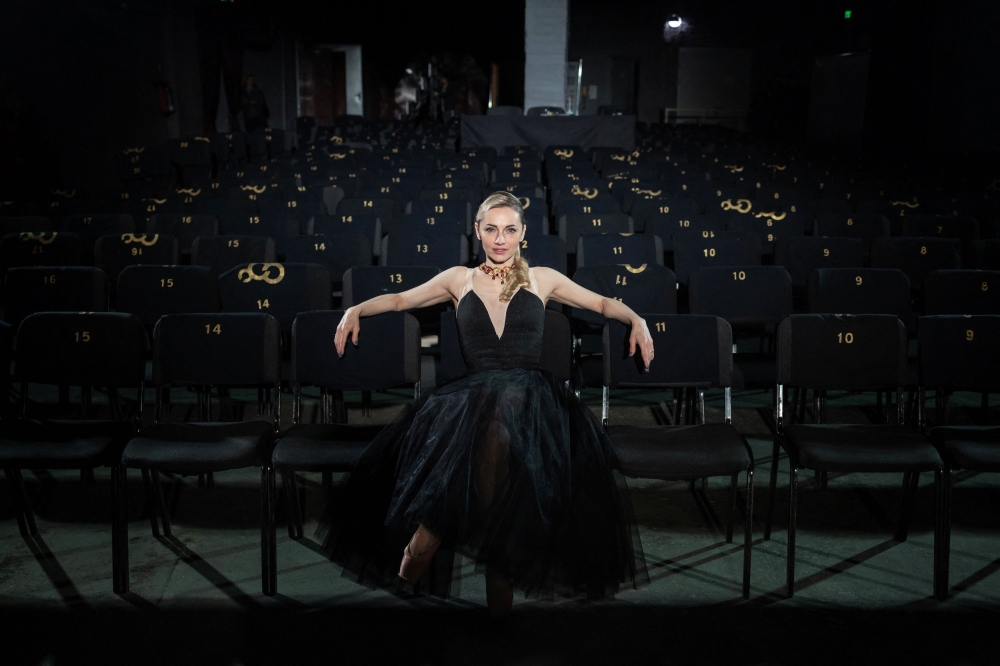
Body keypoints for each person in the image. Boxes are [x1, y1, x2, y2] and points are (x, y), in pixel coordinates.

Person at [322, 191, 653, 615]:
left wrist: (636, 319)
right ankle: (415, 583)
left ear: (523, 235)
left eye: (510, 230)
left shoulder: (543, 278)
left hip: (529, 407)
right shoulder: (457, 280)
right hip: (471, 405)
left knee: (498, 522)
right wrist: (355, 309)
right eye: (492, 229)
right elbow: (402, 299)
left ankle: (489, 593)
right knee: (430, 539)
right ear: (477, 231)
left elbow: (602, 302)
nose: (500, 239)